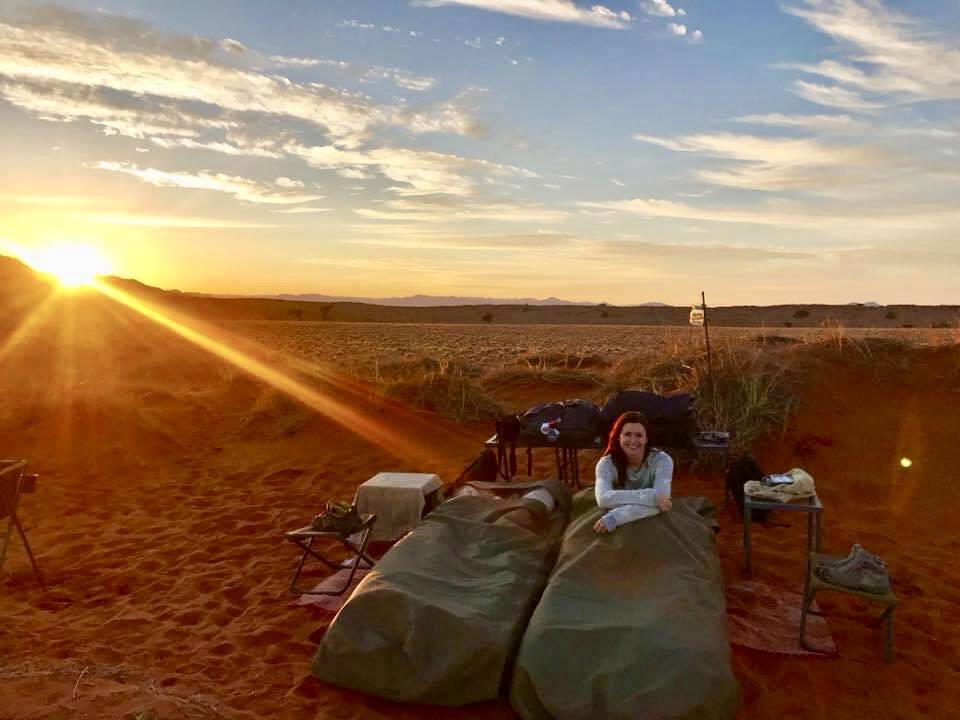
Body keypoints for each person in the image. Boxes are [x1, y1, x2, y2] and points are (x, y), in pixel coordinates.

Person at [593, 411, 673, 534]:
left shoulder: (663, 461)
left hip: (644, 520)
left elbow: (663, 503)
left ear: (646, 439)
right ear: (619, 436)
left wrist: (616, 517)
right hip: (642, 510)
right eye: (627, 434)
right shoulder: (605, 464)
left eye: (639, 435)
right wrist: (652, 496)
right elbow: (603, 499)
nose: (633, 440)